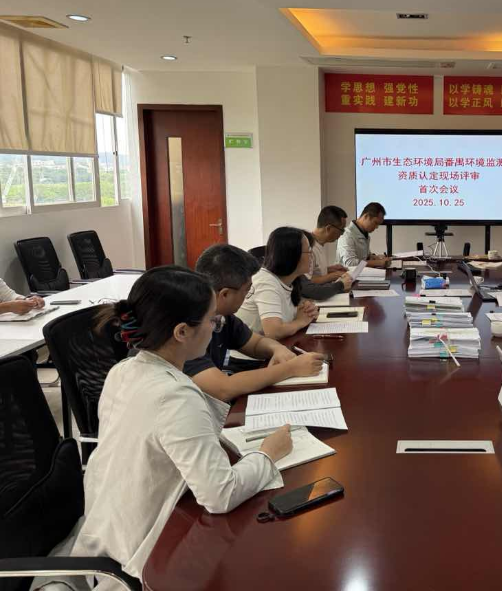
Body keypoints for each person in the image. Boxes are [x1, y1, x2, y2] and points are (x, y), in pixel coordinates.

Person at [51, 266, 292, 587]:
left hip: (107, 532)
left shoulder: (123, 370)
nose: (215, 328)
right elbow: (220, 494)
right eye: (211, 321)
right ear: (181, 332)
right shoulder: (176, 396)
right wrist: (267, 455)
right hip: (144, 558)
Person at [185, 244, 324, 402]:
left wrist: (277, 349)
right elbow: (223, 388)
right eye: (248, 290)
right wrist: (291, 368)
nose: (248, 295)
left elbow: (255, 343)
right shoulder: (189, 328)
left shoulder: (222, 317)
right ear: (225, 294)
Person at [235, 226, 319, 342]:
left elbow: (286, 318)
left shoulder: (289, 281)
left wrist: (306, 311)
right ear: (292, 255)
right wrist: (301, 321)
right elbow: (274, 332)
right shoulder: (266, 281)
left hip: (274, 347)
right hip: (253, 353)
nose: (311, 257)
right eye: (308, 251)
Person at [336, 202, 389, 268]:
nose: (376, 227)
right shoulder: (346, 235)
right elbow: (350, 263)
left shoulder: (365, 234)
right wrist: (378, 263)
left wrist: (375, 257)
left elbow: (364, 257)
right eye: (375, 223)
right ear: (366, 216)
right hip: (347, 274)